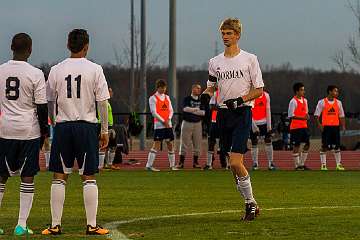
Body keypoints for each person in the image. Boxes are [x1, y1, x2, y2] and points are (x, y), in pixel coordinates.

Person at [42, 29, 110, 235]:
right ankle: (91, 225)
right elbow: (103, 103)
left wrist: (55, 123)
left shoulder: (56, 69)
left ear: (68, 45)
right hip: (86, 126)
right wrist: (104, 130)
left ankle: (55, 225)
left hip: (63, 126)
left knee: (59, 176)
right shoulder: (95, 69)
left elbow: (50, 101)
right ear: (87, 46)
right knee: (88, 176)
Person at [202, 18, 263, 221]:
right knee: (231, 164)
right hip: (222, 114)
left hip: (242, 113)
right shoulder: (215, 62)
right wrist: (206, 94)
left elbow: (259, 90)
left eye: (229, 33)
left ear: (237, 35)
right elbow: (211, 86)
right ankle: (251, 203)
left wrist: (240, 100)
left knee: (237, 163)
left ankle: (250, 203)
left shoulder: (250, 59)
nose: (225, 37)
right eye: (223, 33)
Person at [0, 33, 48, 236]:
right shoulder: (36, 73)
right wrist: (44, 132)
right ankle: (21, 225)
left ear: (11, 47)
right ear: (30, 50)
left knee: (1, 177)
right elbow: (42, 107)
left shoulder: (0, 70)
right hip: (28, 131)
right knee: (27, 177)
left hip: (4, 130)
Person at [146, 79, 178, 171]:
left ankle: (172, 166)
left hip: (168, 125)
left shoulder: (167, 97)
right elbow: (153, 112)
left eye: (164, 88)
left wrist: (168, 119)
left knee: (170, 144)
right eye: (161, 88)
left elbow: (171, 110)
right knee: (156, 144)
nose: (163, 90)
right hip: (159, 125)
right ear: (158, 88)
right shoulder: (152, 98)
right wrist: (163, 121)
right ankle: (149, 165)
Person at [314, 85, 346, 170]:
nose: (337, 93)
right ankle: (323, 165)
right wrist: (319, 125)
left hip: (335, 127)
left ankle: (338, 164)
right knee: (324, 146)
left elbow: (341, 115)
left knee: (337, 146)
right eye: (335, 91)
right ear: (330, 92)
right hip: (326, 127)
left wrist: (343, 126)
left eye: (337, 91)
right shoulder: (322, 102)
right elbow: (316, 115)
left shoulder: (339, 102)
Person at [177, 84, 205, 168]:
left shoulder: (201, 100)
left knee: (197, 144)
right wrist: (196, 109)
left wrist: (191, 110)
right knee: (184, 143)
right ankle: (181, 162)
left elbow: (203, 112)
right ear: (193, 89)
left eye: (200, 89)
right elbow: (185, 109)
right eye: (197, 88)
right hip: (187, 123)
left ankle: (195, 162)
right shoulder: (187, 99)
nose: (199, 90)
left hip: (198, 123)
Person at [250, 91, 276, 170]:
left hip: (264, 122)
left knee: (268, 141)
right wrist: (254, 126)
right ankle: (255, 164)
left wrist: (269, 127)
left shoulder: (266, 95)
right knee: (254, 142)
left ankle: (271, 163)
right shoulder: (251, 95)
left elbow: (268, 110)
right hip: (254, 122)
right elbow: (249, 111)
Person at [288, 82, 311, 170]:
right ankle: (297, 165)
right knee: (296, 145)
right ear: (297, 91)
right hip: (296, 127)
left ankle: (302, 164)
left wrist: (307, 116)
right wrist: (302, 118)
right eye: (302, 90)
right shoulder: (293, 101)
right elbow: (291, 115)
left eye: (303, 90)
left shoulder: (305, 101)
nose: (303, 91)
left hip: (304, 127)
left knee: (307, 144)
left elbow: (306, 113)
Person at [203, 89, 228, 170]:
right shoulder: (215, 93)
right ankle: (209, 164)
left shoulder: (230, 92)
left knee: (225, 142)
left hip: (225, 121)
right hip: (215, 120)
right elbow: (211, 106)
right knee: (211, 142)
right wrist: (221, 108)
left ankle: (226, 163)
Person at [98, 87, 116, 170]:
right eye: (110, 91)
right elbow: (101, 115)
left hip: (110, 126)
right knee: (103, 145)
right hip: (105, 126)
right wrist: (104, 127)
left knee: (112, 146)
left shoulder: (107, 103)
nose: (111, 93)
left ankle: (109, 164)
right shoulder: (102, 102)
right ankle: (100, 166)